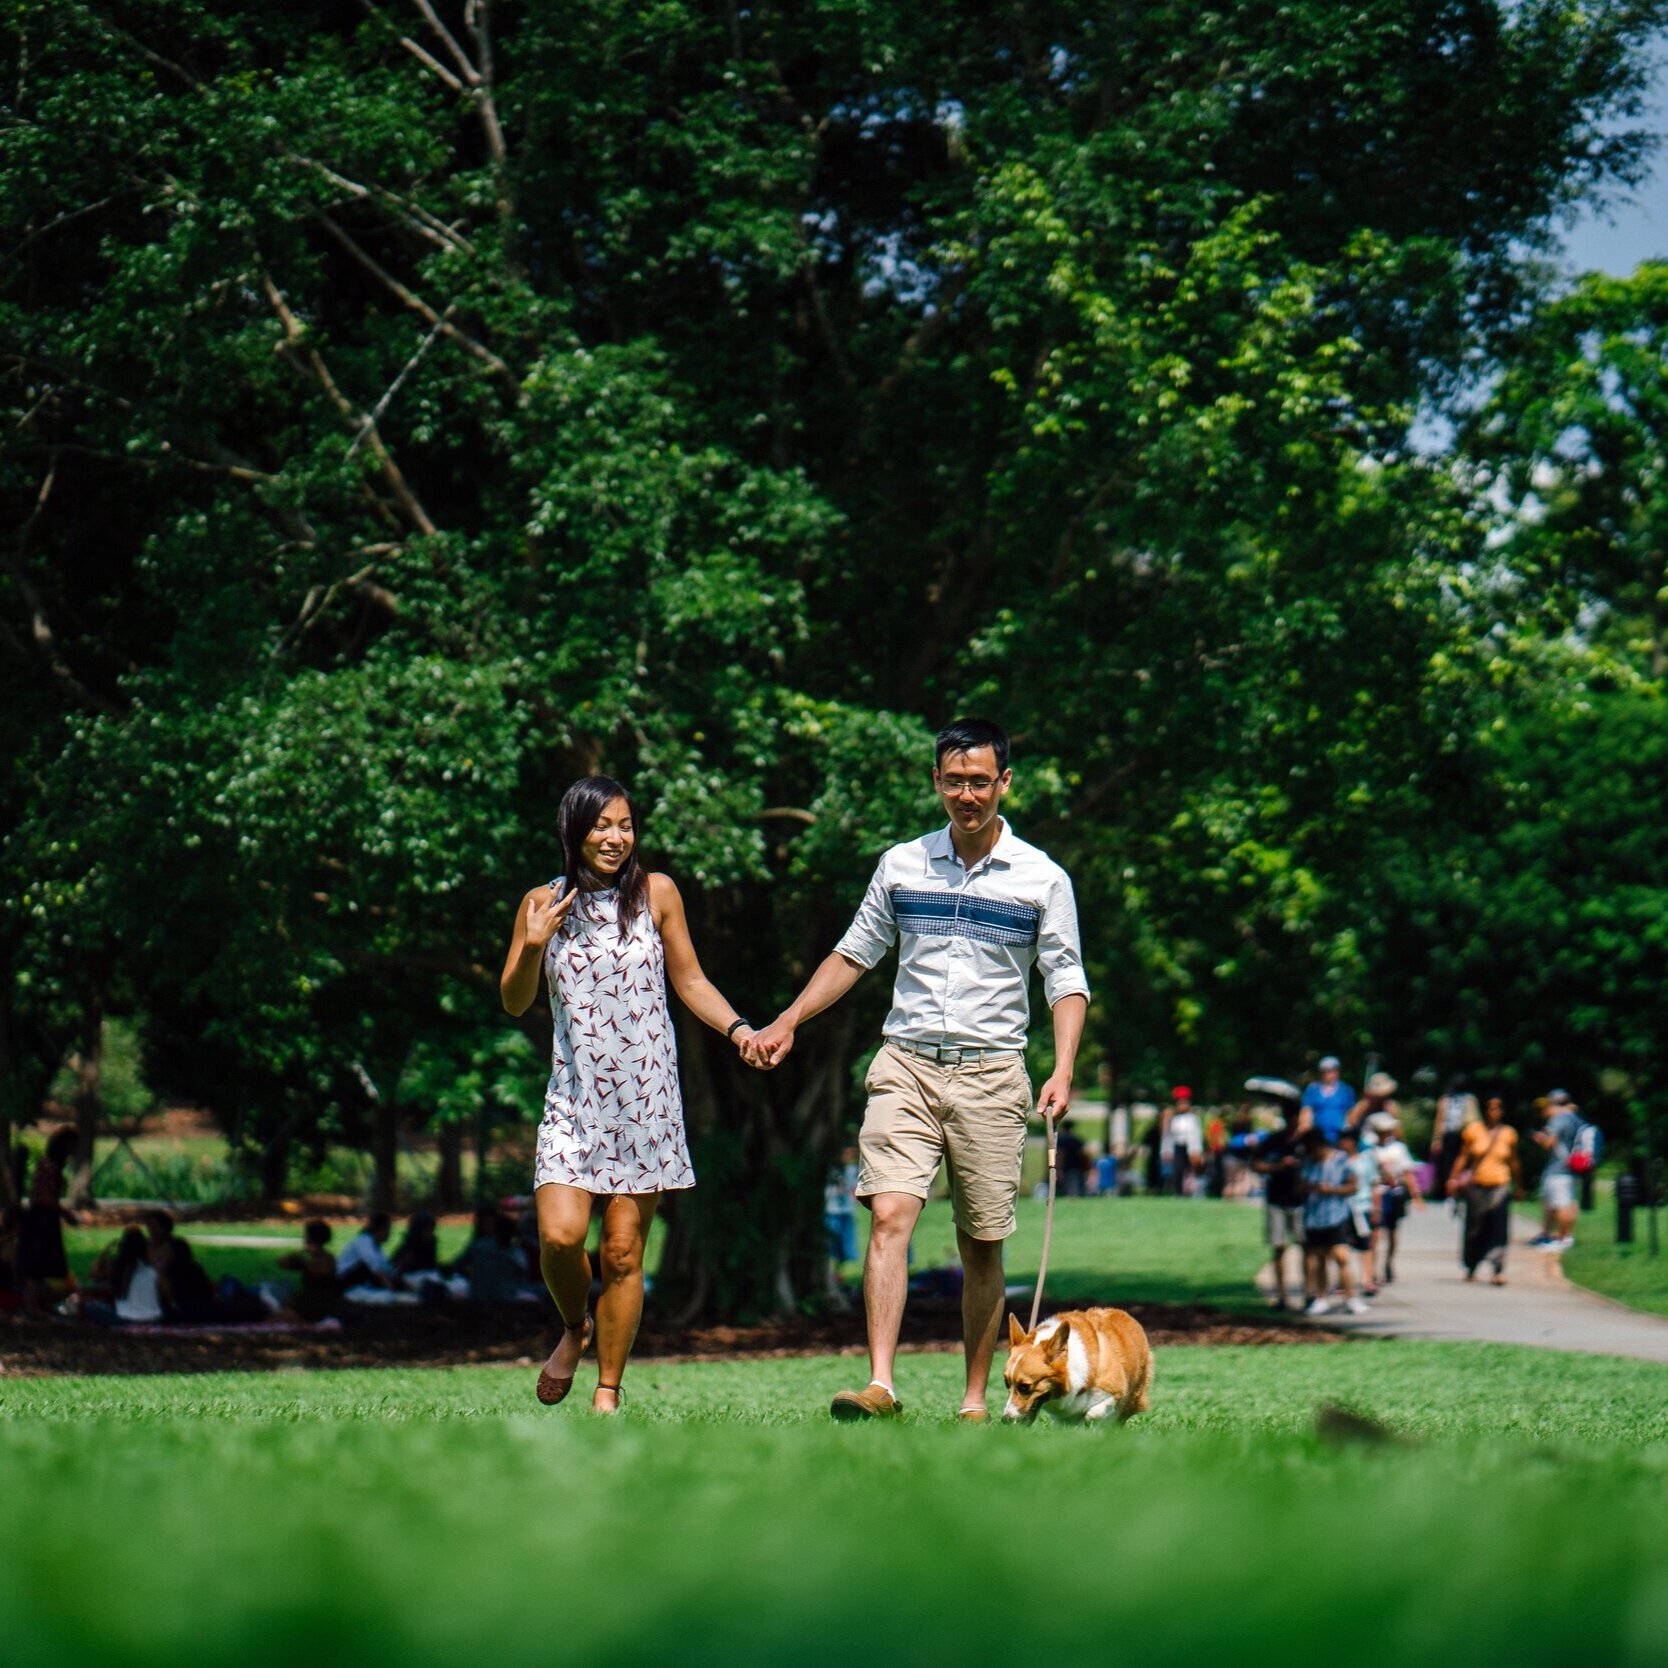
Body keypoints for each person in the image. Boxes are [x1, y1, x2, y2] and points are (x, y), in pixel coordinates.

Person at [747, 718, 1089, 1422]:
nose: (968, 794)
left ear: (1004, 783)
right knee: (891, 1215)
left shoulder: (1041, 878)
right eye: (955, 781)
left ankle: (972, 1398)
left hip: (992, 1073)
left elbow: (1066, 979)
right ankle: (881, 1384)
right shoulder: (902, 865)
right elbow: (854, 953)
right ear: (937, 782)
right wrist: (787, 1020)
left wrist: (1062, 1070)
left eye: (981, 781)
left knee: (981, 1242)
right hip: (904, 1064)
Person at [501, 774, 756, 1414]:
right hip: (574, 1099)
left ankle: (608, 1390)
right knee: (560, 1238)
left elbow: (690, 979)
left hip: (646, 1102)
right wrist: (533, 945)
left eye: (625, 825)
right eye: (601, 826)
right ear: (574, 831)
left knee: (622, 1253)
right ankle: (574, 1328)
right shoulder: (540, 902)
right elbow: (514, 1000)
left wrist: (739, 1030)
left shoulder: (657, 894)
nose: (616, 838)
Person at [1300, 1126, 1366, 1315]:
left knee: (1341, 1256)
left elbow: (1353, 1186)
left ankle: (1351, 1297)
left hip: (1336, 1214)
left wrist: (1332, 1190)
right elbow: (1299, 1186)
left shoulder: (1341, 1160)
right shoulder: (1308, 1162)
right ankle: (1321, 1298)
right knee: (1320, 1257)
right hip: (1314, 1216)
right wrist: (1307, 1188)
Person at [1458, 1096, 1520, 1283]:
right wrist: (1454, 1178)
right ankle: (1471, 1266)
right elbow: (1463, 1156)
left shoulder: (1508, 1133)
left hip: (1500, 1183)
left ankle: (1497, 1269)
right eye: (1490, 1108)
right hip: (1477, 1184)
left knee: (1498, 1226)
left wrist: (1518, 1185)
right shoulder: (1473, 1131)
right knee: (1476, 1227)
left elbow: (1513, 1161)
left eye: (1498, 1108)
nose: (1494, 1112)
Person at [16, 1126, 78, 1314]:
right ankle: (33, 1306)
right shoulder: (48, 1166)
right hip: (40, 1220)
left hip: (46, 1219)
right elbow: (44, 1197)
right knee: (36, 1265)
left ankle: (39, 1304)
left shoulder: (53, 1165)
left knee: (44, 1267)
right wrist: (66, 1213)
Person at [1252, 1105, 1308, 1310]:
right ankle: (1281, 1294)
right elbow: (1256, 1163)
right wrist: (1277, 1167)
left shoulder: (1306, 1141)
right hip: (1277, 1198)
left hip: (1301, 1200)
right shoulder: (1273, 1140)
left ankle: (1308, 1292)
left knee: (1306, 1247)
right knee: (1278, 1246)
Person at [1368, 1113, 1425, 1284]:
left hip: (1396, 1193)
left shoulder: (1398, 1148)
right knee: (1376, 1232)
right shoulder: (1371, 1150)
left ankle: (1388, 1262)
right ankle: (1372, 1269)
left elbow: (1408, 1172)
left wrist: (1416, 1195)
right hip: (1379, 1192)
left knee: (1393, 1232)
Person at [1530, 1090, 1583, 1252]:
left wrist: (1539, 1138)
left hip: (1558, 1168)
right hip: (1571, 1167)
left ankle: (1563, 1238)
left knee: (1561, 1205)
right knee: (1567, 1202)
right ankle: (1563, 1236)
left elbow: (1549, 1143)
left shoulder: (1557, 1120)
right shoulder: (1575, 1119)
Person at [1339, 1126, 1380, 1299]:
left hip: (1362, 1206)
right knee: (1342, 1245)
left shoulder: (1365, 1160)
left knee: (1365, 1244)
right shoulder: (1338, 1161)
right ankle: (1343, 1281)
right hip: (1342, 1208)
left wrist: (1376, 1208)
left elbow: (1374, 1184)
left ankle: (1367, 1278)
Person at [276, 1219, 343, 1321]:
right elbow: (282, 1262)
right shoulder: (327, 1257)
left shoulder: (315, 1258)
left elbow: (281, 1262)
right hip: (324, 1302)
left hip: (316, 1304)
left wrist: (304, 1255)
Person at [1430, 1075, 1478, 1203]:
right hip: (1453, 1135)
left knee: (1458, 1163)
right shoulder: (1450, 1099)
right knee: (1450, 1164)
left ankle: (1459, 1190)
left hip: (1460, 1135)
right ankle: (1451, 1192)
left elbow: (1439, 1121)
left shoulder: (1464, 1099)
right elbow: (1440, 1120)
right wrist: (1437, 1139)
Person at [337, 1212, 401, 1291]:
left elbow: (388, 1269)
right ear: (380, 1229)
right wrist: (391, 1288)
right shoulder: (364, 1241)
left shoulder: (377, 1248)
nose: (390, 1233)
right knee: (368, 1267)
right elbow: (374, 1267)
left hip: (357, 1280)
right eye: (388, 1229)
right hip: (346, 1282)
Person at [1300, 1057, 1356, 1144]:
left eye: (1332, 1070)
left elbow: (1351, 1112)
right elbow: (1306, 1110)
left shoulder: (1346, 1090)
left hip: (1339, 1136)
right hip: (1318, 1136)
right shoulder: (1313, 1089)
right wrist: (1306, 1126)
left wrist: (1348, 1128)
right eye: (1325, 1071)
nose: (1329, 1074)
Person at [1162, 1087, 1202, 1196]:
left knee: (1190, 1171)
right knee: (1178, 1169)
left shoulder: (1193, 1119)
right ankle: (1178, 1191)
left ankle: (1191, 1191)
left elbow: (1195, 1136)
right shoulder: (1173, 1118)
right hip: (1177, 1146)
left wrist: (1196, 1150)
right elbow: (1168, 1135)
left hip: (1189, 1147)